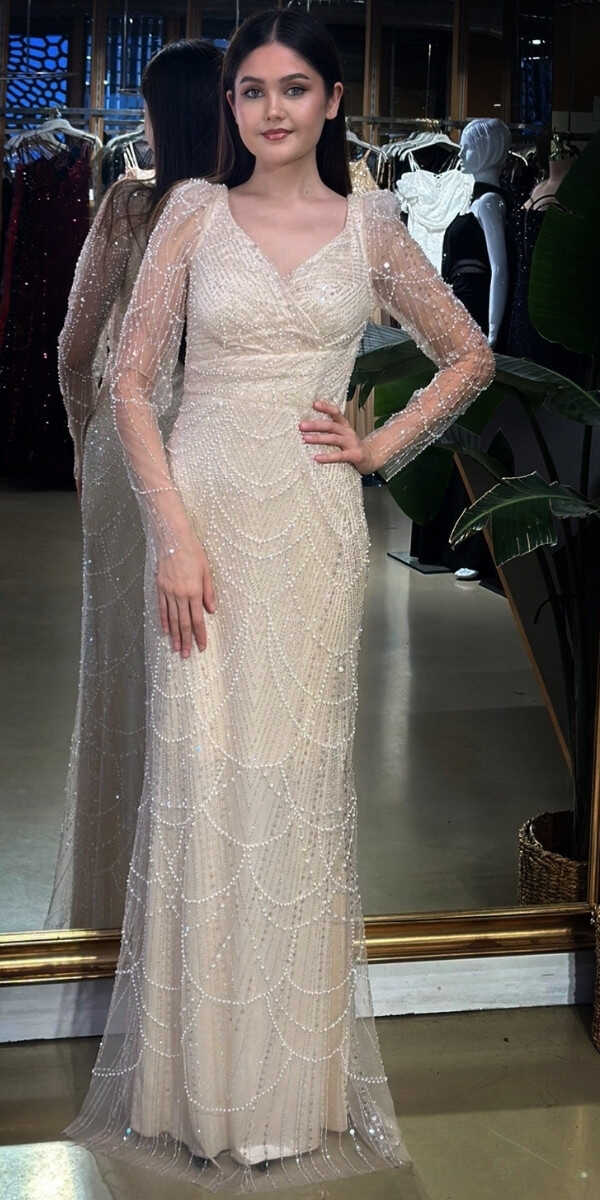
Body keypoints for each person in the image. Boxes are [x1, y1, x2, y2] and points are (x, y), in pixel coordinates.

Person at [62, 9, 495, 1195]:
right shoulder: (193, 215)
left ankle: (285, 1094)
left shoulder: (372, 223)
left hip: (311, 534)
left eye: (293, 88)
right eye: (251, 90)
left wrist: (378, 447)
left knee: (297, 782)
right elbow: (132, 380)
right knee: (202, 775)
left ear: (334, 100)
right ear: (231, 106)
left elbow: (468, 353)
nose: (270, 109)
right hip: (201, 524)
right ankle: (194, 1092)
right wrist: (171, 537)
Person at [44, 39, 223, 931]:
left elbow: (77, 345)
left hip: (131, 444)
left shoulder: (132, 203)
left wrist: (86, 444)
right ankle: (196, 912)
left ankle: (117, 909)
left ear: (164, 115)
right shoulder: (249, 209)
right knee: (208, 674)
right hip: (223, 452)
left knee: (124, 665)